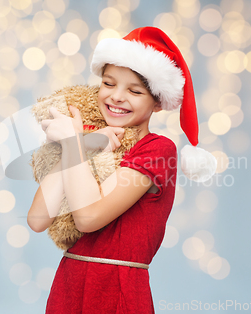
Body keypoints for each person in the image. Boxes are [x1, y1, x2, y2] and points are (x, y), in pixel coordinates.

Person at [27, 26, 204, 313]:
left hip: (115, 290)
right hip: (69, 286)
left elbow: (88, 217)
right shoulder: (88, 142)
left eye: (134, 90)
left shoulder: (157, 150)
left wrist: (73, 143)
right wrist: (84, 143)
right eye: (108, 84)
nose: (117, 97)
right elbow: (37, 219)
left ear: (157, 102)